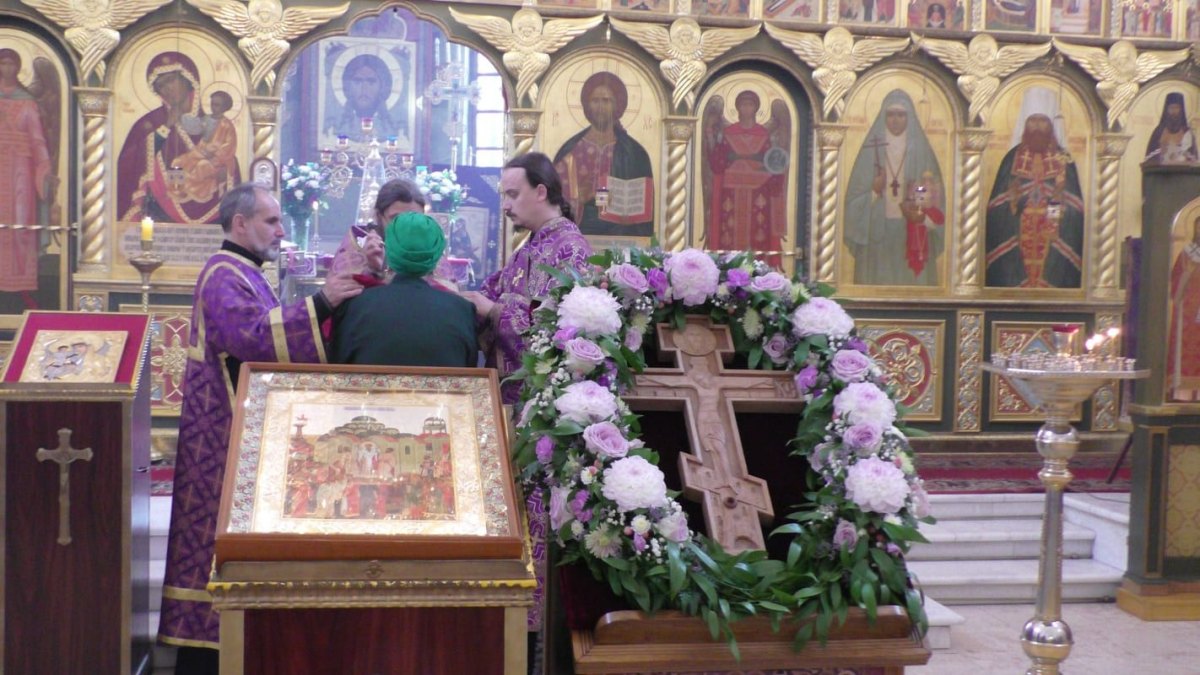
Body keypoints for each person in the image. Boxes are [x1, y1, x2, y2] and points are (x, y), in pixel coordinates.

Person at [158, 183, 363, 674]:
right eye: (271, 221)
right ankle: (205, 654)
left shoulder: (245, 272)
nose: (281, 230)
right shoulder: (222, 274)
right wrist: (322, 303)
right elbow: (252, 337)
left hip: (236, 432)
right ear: (240, 224)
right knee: (213, 543)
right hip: (220, 439)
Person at [459, 153, 592, 655]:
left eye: (513, 194)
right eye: (504, 196)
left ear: (542, 190)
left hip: (543, 417)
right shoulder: (530, 246)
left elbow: (559, 329)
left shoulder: (568, 247)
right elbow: (493, 292)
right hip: (515, 411)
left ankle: (538, 642)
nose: (507, 205)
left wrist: (494, 311)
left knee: (539, 530)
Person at [330, 211, 477, 367]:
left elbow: (336, 367)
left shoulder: (354, 306)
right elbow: (470, 372)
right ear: (437, 257)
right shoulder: (462, 309)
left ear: (389, 250)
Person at [118, 52, 241, 224]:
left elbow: (228, 157)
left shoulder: (215, 123)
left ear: (188, 79)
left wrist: (223, 169)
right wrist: (165, 128)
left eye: (170, 80)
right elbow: (131, 164)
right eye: (160, 86)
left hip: (214, 211)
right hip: (161, 210)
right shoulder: (150, 123)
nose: (166, 89)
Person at [985, 88, 1085, 289]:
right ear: (1025, 123)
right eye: (1032, 120)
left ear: (1051, 125)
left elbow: (1076, 210)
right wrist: (1014, 203)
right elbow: (995, 209)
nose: (1037, 126)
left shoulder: (1064, 159)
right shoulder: (1011, 159)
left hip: (1053, 240)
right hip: (1018, 239)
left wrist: (1057, 208)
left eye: (1043, 121)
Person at [844, 89, 946, 286]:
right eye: (890, 114)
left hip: (912, 233)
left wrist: (922, 213)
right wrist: (874, 192)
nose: (896, 120)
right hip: (876, 236)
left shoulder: (922, 152)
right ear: (883, 117)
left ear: (909, 117)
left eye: (901, 114)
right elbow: (851, 205)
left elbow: (934, 194)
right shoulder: (870, 150)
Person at [553, 71, 655, 237]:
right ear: (587, 105)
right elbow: (553, 199)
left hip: (621, 236)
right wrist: (578, 197)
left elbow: (643, 206)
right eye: (595, 101)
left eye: (606, 101)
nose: (600, 107)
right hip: (578, 233)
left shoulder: (634, 152)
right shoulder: (571, 150)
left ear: (617, 105)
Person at [703, 90, 791, 267]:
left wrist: (775, 178)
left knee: (758, 226)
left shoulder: (763, 134)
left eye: (750, 104)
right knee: (729, 228)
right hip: (731, 188)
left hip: (759, 188)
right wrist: (710, 133)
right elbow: (717, 161)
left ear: (756, 108)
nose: (746, 108)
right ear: (737, 108)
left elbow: (772, 161)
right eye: (743, 104)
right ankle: (727, 267)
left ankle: (758, 269)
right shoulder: (729, 132)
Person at [0, 48, 54, 305]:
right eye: (3, 63)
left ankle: (20, 286)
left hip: (21, 170)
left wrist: (44, 168)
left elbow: (37, 138)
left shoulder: (28, 101)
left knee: (20, 223)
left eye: (12, 63)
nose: (7, 68)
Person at [329, 178, 426, 282]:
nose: (406, 227)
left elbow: (436, 287)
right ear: (379, 216)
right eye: (395, 218)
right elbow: (341, 288)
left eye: (414, 218)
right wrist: (373, 270)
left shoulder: (431, 246)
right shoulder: (359, 245)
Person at [172, 90, 239, 204]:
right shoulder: (206, 119)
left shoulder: (227, 125)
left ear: (224, 107)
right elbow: (195, 127)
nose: (213, 107)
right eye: (212, 104)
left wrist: (214, 155)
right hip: (200, 153)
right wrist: (180, 117)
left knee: (201, 166)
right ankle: (177, 189)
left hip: (217, 160)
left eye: (217, 105)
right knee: (177, 162)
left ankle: (188, 189)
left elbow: (230, 146)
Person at [330, 53, 406, 144]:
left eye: (371, 82)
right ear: (348, 87)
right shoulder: (340, 126)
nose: (364, 88)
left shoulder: (389, 127)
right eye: (357, 81)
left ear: (382, 86)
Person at [1169, 216, 1200, 401]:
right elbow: (1175, 287)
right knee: (1187, 353)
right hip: (1188, 310)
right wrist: (1188, 273)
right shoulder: (1186, 254)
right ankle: (1184, 396)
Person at [1144, 92, 1198, 166]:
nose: (1174, 111)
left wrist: (1183, 154)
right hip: (1162, 171)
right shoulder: (1159, 131)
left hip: (1182, 171)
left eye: (1177, 108)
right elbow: (1149, 158)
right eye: (1171, 108)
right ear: (1166, 110)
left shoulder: (1187, 132)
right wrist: (1162, 151)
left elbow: (1194, 158)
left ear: (1181, 110)